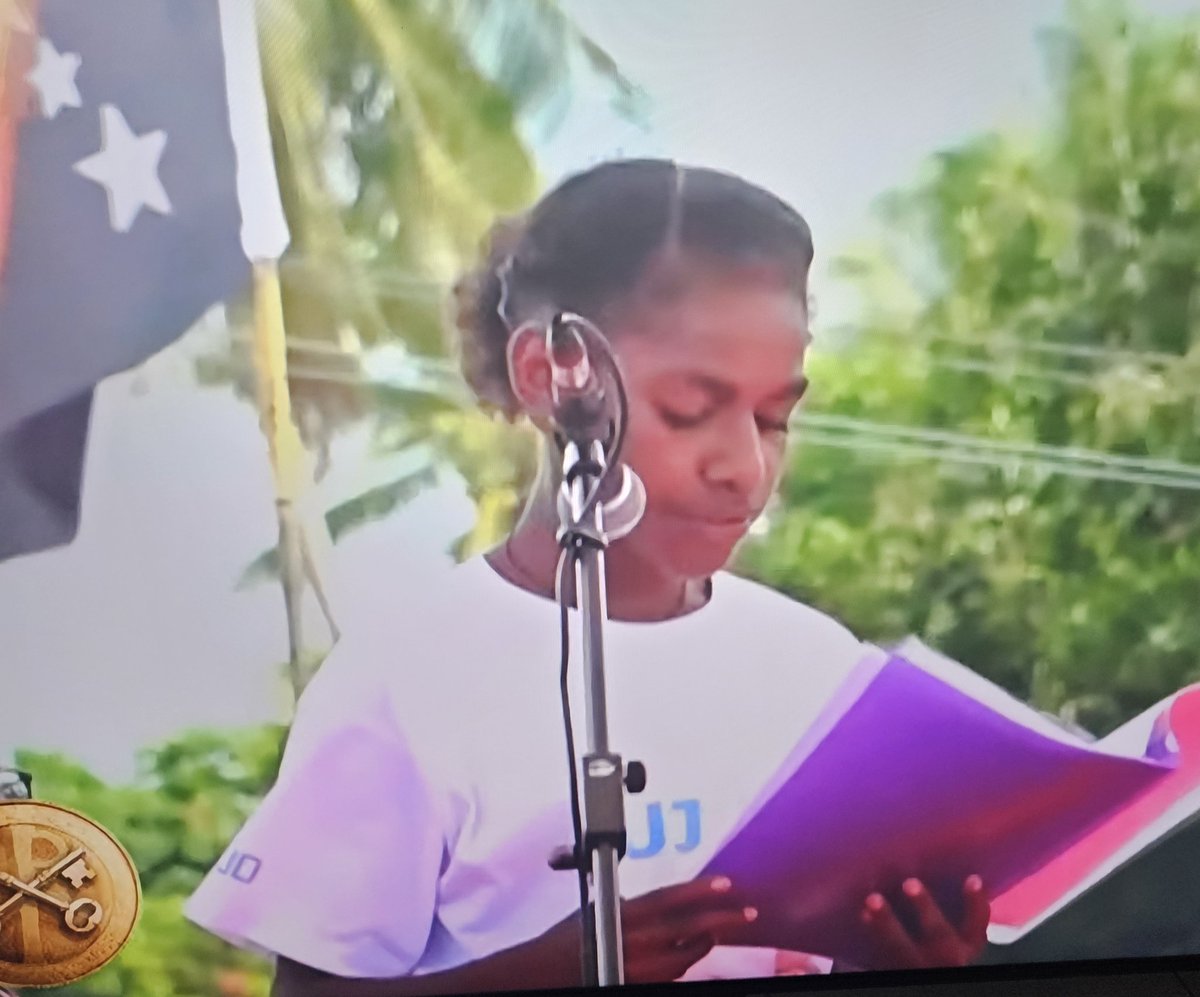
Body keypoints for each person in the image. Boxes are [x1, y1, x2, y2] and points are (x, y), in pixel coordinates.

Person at [184, 159, 990, 994]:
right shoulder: (407, 675)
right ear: (549, 376)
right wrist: (539, 975)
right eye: (689, 408)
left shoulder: (819, 666)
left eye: (774, 417)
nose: (745, 467)